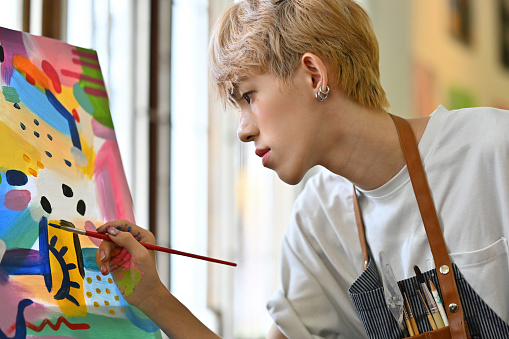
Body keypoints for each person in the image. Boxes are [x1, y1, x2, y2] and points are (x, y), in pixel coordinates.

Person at [96, 0, 509, 338]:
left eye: (249, 96)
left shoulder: (491, 150)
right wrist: (152, 296)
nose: (243, 130)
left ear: (314, 75)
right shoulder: (318, 220)